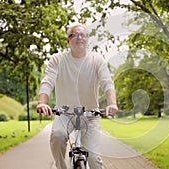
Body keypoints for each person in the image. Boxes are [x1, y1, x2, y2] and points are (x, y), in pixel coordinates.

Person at [36, 22, 118, 169]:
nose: (80, 38)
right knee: (57, 136)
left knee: (93, 158)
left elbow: (108, 83)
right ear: (68, 40)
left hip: (90, 115)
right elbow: (47, 82)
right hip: (64, 113)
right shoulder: (58, 59)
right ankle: (61, 167)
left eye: (83, 35)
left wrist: (112, 104)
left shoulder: (97, 60)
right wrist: (42, 102)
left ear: (87, 40)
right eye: (75, 35)